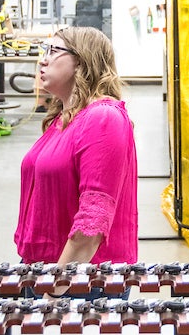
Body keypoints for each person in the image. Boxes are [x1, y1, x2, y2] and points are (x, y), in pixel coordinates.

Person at [14, 27, 138, 273]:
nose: (43, 59)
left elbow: (92, 225)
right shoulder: (66, 118)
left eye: (54, 51)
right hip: (47, 270)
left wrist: (53, 290)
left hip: (84, 280)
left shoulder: (103, 118)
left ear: (82, 61)